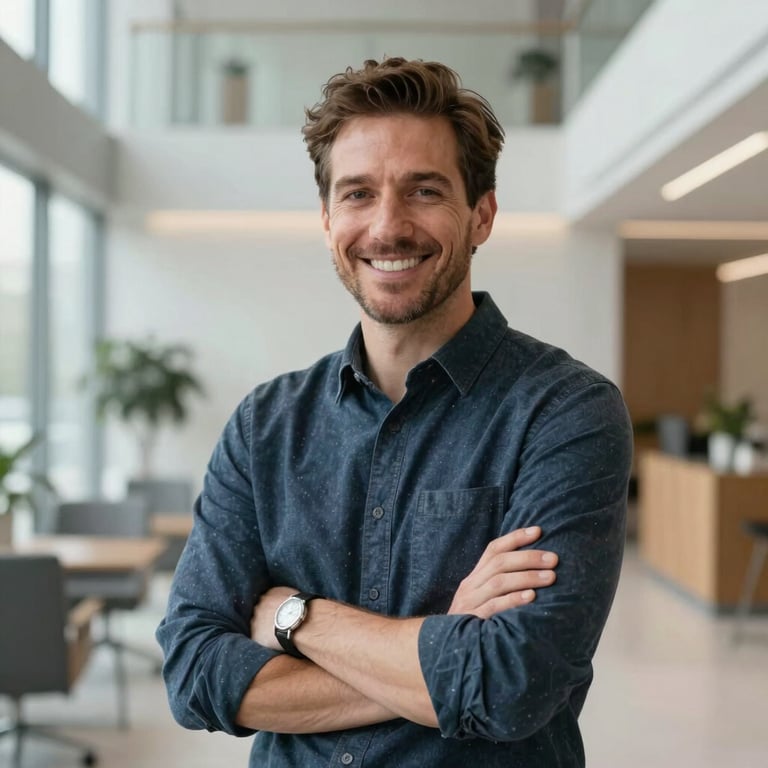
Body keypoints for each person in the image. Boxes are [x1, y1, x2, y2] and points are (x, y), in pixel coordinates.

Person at [157, 57, 632, 767]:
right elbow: (195, 673)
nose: (387, 225)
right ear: (326, 220)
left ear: (482, 215)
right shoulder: (264, 427)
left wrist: (293, 618)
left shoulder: (567, 411)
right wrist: (444, 644)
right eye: (358, 193)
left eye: (424, 190)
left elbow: (512, 685)